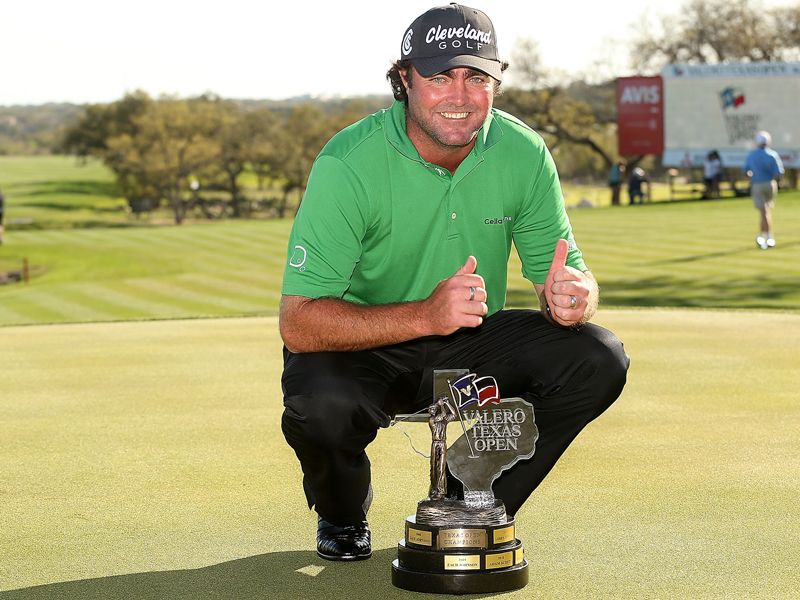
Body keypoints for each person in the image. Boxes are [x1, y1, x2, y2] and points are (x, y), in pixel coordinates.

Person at [279, 3, 629, 562]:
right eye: (439, 76)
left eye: (477, 76)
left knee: (599, 357)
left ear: (497, 81)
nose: (460, 94)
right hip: (366, 347)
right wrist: (423, 315)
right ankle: (342, 513)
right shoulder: (349, 162)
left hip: (469, 344)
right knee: (320, 408)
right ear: (403, 79)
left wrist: (574, 295)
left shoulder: (522, 151)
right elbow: (297, 323)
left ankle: (468, 502)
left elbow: (562, 270)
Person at [744, 131, 784, 249]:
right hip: (770, 184)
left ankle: (768, 238)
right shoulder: (772, 154)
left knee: (764, 212)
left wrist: (752, 175)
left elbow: (746, 171)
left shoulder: (752, 155)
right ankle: (763, 236)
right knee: (766, 211)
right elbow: (779, 172)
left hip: (757, 184)